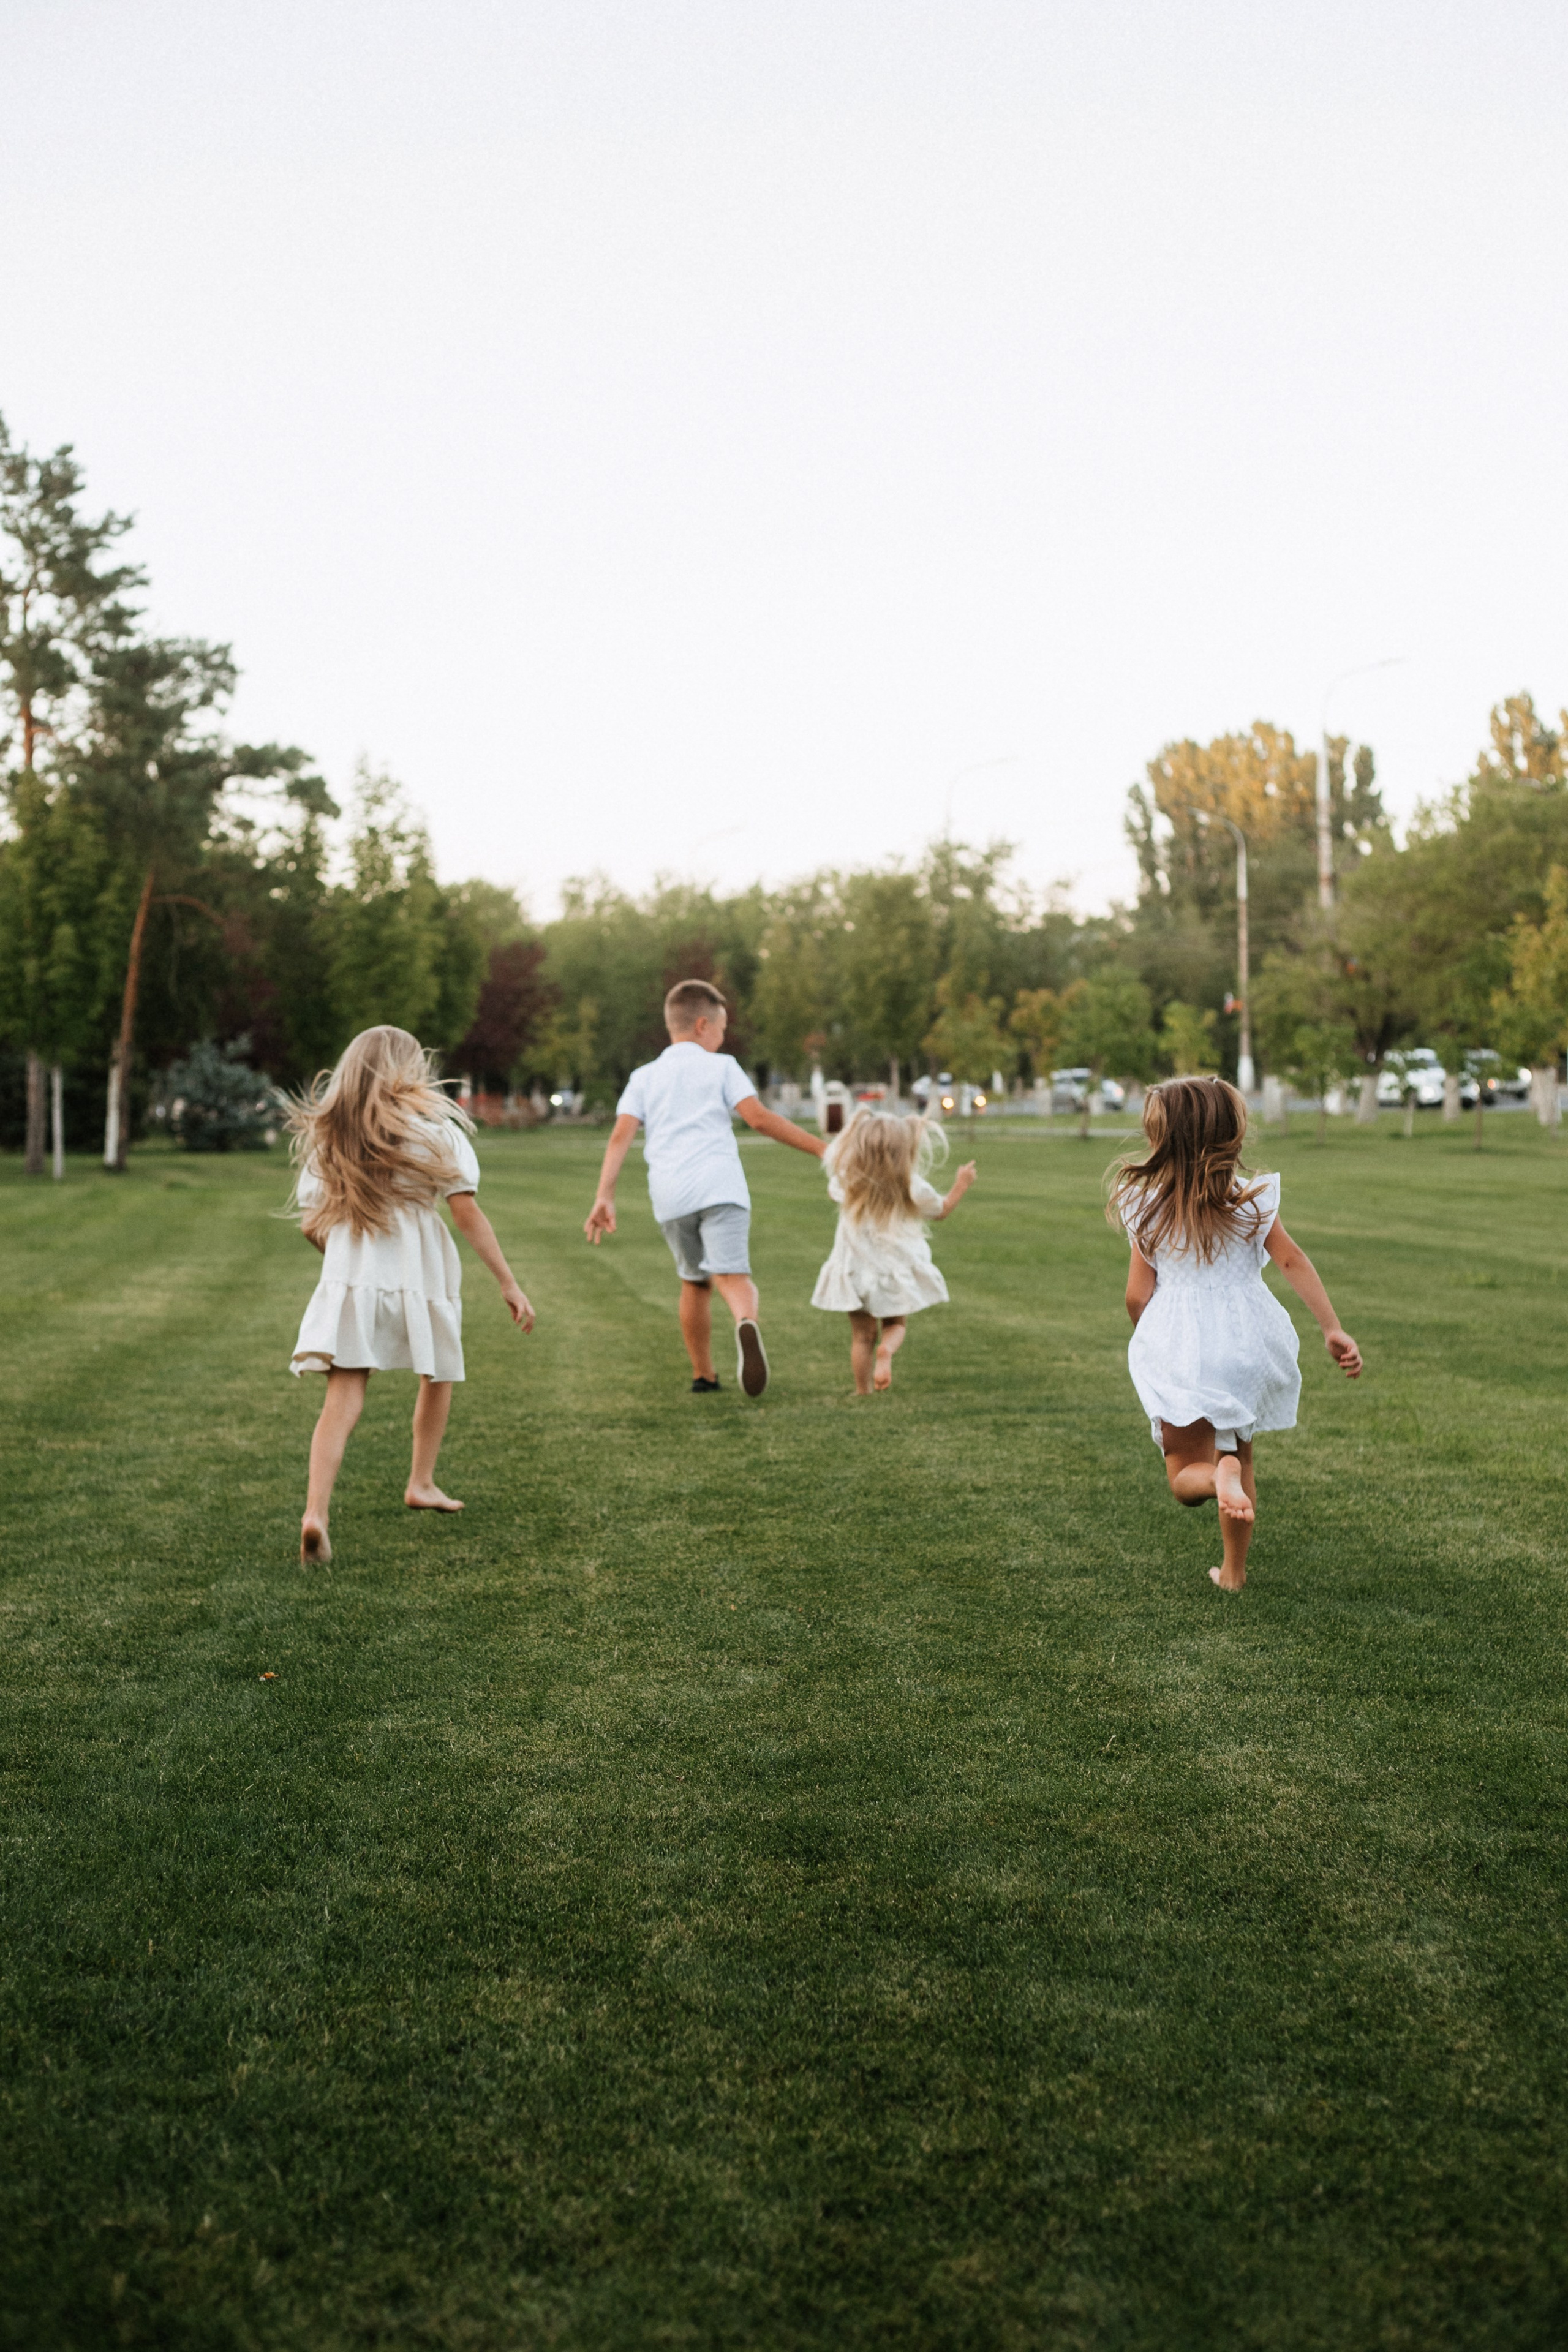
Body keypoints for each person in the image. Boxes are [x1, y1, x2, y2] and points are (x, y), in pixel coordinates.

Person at [287, 1025, 533, 1563]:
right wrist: (508, 1282)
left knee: (344, 1395)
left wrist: (347, 1267)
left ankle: (316, 1513)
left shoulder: (333, 1139)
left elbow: (311, 1224)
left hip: (354, 1271)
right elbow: (465, 1211)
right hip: (420, 1270)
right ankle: (421, 1481)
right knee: (438, 1370)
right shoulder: (436, 1132)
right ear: (409, 1071)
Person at [1109, 1075, 1361, 1593]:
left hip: (1182, 1346)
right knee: (1241, 1457)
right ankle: (1233, 1571)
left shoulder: (1148, 1208)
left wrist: (1154, 1340)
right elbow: (1291, 1259)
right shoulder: (1251, 1201)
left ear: (1163, 1140)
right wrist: (1331, 1328)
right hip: (1247, 1342)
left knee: (1185, 1476)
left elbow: (1137, 1296)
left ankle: (1214, 1478)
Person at [584, 978, 824, 1396]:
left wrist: (605, 1195)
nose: (723, 1036)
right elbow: (760, 1119)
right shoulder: (723, 1067)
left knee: (694, 1280)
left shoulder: (644, 1077)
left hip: (670, 1195)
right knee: (732, 1276)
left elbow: (620, 1136)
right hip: (721, 1187)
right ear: (701, 1025)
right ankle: (745, 1322)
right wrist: (826, 1150)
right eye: (722, 1028)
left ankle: (704, 1376)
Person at [810, 1106, 975, 1393]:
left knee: (862, 1336)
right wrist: (962, 1184)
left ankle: (862, 1390)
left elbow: (831, 1190)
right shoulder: (911, 1186)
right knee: (896, 1325)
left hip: (854, 1272)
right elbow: (942, 1210)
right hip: (892, 1272)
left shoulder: (848, 1180)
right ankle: (886, 1351)